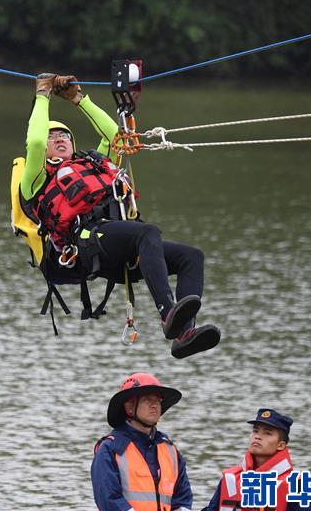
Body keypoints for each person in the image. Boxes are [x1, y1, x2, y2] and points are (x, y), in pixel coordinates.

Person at [17, 73, 220, 358]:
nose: (59, 138)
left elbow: (114, 135)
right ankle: (167, 313)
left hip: (122, 246)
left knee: (191, 257)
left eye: (64, 135)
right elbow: (35, 143)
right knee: (147, 232)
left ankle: (184, 334)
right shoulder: (36, 180)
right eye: (53, 136)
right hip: (85, 244)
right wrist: (43, 95)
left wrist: (79, 100)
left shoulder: (94, 164)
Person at [89, 373, 193, 511]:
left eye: (158, 401)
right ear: (129, 408)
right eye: (148, 400)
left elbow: (183, 497)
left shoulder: (170, 450)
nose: (155, 405)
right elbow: (109, 500)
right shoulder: (110, 448)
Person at [186, 409, 311, 511]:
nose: (258, 436)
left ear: (281, 445)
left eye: (267, 433)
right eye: (255, 431)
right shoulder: (231, 479)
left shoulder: (295, 484)